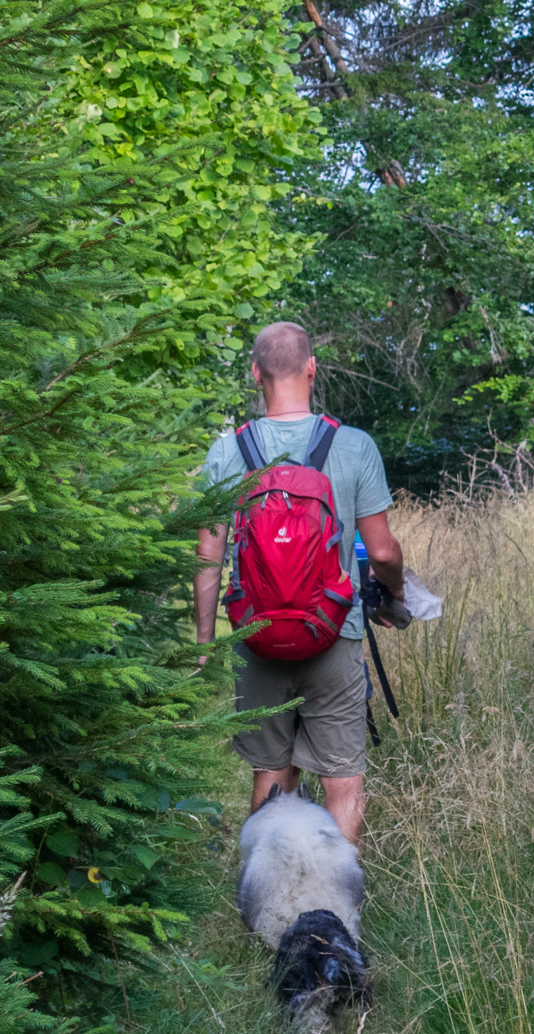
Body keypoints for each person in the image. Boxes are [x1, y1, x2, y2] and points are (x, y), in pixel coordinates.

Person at [194, 322, 409, 845]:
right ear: (312, 368)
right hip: (334, 633)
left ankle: (267, 913)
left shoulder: (227, 452)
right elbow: (381, 551)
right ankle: (334, 916)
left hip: (256, 635)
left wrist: (205, 641)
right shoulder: (353, 445)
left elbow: (207, 555)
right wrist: (395, 594)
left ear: (255, 374)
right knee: (342, 779)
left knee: (271, 774)